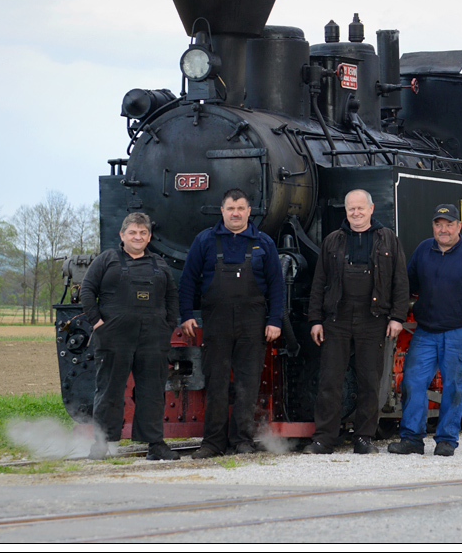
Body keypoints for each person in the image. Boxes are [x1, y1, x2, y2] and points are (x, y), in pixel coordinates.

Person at [179, 188, 285, 458]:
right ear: (222, 211)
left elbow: (276, 285)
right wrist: (187, 314)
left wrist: (275, 320)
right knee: (215, 383)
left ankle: (242, 441)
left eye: (240, 208)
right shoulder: (205, 240)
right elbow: (188, 280)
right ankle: (212, 443)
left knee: (247, 384)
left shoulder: (264, 243)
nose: (235, 213)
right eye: (230, 208)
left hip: (253, 323)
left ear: (249, 211)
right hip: (217, 322)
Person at [388, 204, 462, 457]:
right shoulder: (423, 250)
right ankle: (411, 439)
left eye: (449, 224)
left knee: (455, 387)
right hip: (426, 331)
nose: (443, 230)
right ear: (433, 227)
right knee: (412, 383)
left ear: (459, 226)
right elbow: (407, 286)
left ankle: (447, 440)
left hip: (461, 330)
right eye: (438, 225)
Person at [304, 189, 409, 455]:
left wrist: (397, 317)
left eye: (361, 208)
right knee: (329, 380)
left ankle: (364, 438)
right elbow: (319, 283)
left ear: (371, 209)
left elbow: (400, 281)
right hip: (337, 317)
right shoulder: (332, 241)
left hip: (373, 317)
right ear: (346, 211)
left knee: (369, 381)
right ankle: (324, 439)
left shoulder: (388, 239)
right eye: (351, 208)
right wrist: (315, 320)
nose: (356, 212)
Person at [80, 212, 180, 461]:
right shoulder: (107, 259)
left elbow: (172, 297)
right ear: (122, 235)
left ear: (149, 237)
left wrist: (168, 326)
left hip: (153, 338)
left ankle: (155, 445)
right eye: (133, 232)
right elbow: (87, 290)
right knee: (109, 390)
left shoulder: (159, 264)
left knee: (153, 391)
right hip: (114, 337)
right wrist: (98, 324)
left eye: (143, 233)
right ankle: (102, 443)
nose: (138, 237)